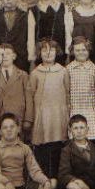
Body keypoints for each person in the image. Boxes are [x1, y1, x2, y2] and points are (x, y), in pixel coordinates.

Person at [0, 113, 57, 189]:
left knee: (53, 182)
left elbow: (34, 170)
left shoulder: (25, 148)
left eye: (12, 126)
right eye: (5, 127)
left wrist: (45, 181)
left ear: (18, 129)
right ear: (0, 132)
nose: (9, 130)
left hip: (22, 186)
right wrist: (7, 183)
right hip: (6, 187)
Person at [29, 38, 70, 179]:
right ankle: (44, 181)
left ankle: (58, 181)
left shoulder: (63, 71)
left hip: (59, 115)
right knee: (43, 148)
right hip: (42, 115)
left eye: (51, 50)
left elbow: (68, 92)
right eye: (44, 50)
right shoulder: (35, 73)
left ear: (56, 52)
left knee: (58, 147)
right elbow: (31, 95)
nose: (48, 53)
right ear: (39, 53)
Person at [0, 43, 33, 144]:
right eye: (1, 55)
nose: (5, 57)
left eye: (8, 54)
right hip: (1, 121)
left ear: (14, 56)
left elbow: (29, 99)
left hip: (18, 119)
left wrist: (28, 119)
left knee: (19, 149)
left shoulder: (23, 75)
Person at [27, 0, 72, 68]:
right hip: (41, 57)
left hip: (60, 56)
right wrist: (32, 59)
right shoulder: (33, 11)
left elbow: (68, 34)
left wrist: (68, 54)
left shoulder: (64, 8)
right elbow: (30, 38)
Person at [66, 36, 95, 144]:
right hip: (74, 110)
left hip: (90, 110)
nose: (81, 52)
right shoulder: (68, 69)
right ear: (73, 51)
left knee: (91, 142)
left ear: (88, 51)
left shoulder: (94, 69)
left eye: (84, 50)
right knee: (75, 142)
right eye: (78, 50)